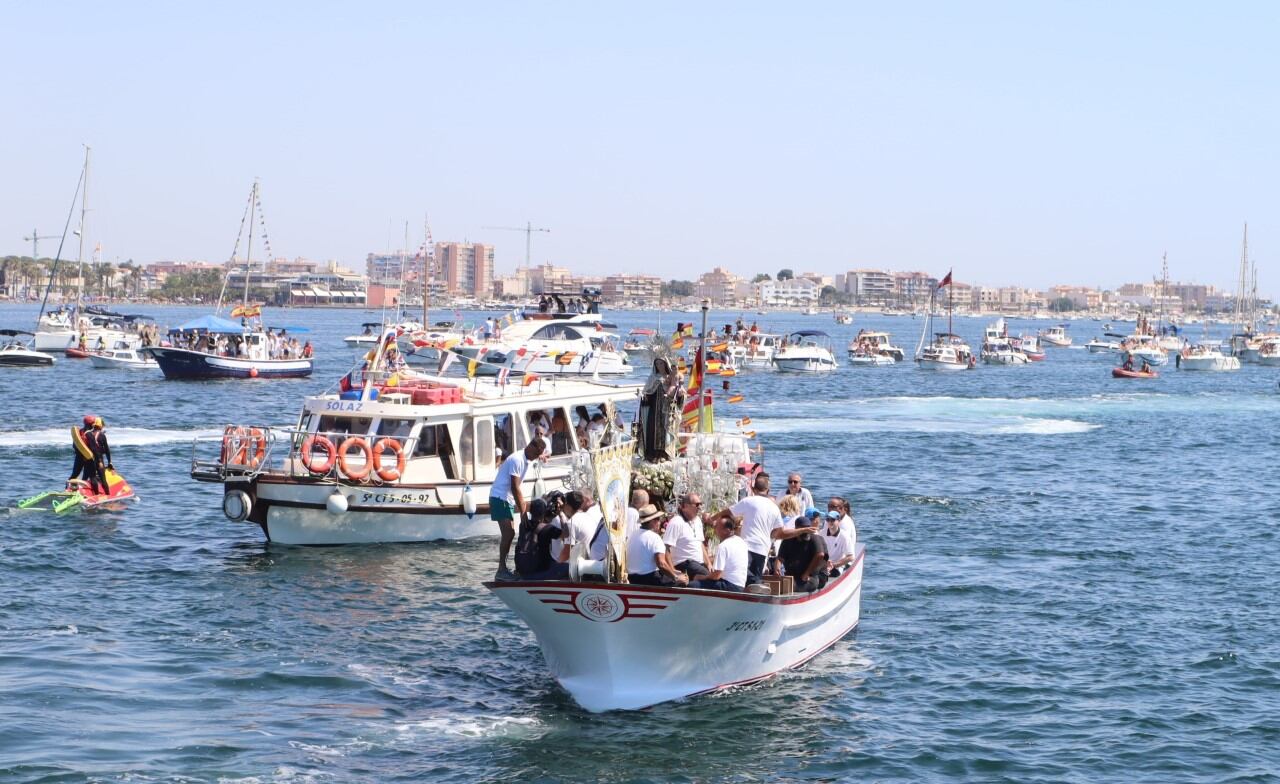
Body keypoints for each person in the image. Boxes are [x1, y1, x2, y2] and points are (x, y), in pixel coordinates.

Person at [714, 472, 812, 585]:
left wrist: (712, 519)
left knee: (741, 575)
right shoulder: (774, 508)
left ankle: (752, 588)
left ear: (752, 488)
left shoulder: (748, 501)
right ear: (768, 491)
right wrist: (802, 530)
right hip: (762, 548)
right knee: (754, 578)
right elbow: (780, 533)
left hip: (745, 546)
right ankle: (757, 588)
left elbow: (729, 512)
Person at [490, 437, 546, 580]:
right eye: (536, 454)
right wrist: (522, 512)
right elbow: (515, 487)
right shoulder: (517, 459)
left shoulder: (526, 460)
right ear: (531, 447)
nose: (535, 458)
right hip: (499, 498)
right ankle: (501, 570)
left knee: (511, 533)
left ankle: (505, 568)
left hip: (506, 499)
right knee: (508, 534)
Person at [626, 504, 688, 586]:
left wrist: (672, 571)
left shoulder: (633, 535)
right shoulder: (655, 537)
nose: (660, 522)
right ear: (653, 521)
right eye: (658, 519)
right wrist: (676, 577)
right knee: (684, 581)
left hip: (632, 578)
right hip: (649, 579)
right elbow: (661, 564)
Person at [638, 357, 683, 461]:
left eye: (661, 364)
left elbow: (678, 393)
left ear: (665, 364)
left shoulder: (671, 378)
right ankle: (652, 453)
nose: (659, 366)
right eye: (657, 364)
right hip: (654, 409)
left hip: (666, 409)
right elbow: (647, 393)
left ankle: (665, 453)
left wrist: (679, 395)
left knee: (666, 429)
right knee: (652, 429)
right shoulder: (652, 378)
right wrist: (644, 397)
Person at [513, 498, 568, 581]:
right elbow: (566, 534)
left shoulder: (523, 525)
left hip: (522, 572)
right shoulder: (548, 529)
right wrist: (561, 514)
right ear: (544, 513)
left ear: (531, 512)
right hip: (540, 573)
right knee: (567, 567)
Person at [691, 515, 748, 592]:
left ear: (726, 530)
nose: (714, 529)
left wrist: (700, 577)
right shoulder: (741, 542)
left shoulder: (723, 546)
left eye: (716, 526)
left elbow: (716, 576)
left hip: (729, 586)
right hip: (740, 586)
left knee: (693, 585)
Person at [777, 511, 827, 592]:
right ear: (796, 529)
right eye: (803, 528)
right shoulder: (788, 540)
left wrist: (807, 573)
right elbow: (780, 558)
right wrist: (777, 567)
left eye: (807, 528)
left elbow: (820, 555)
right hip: (791, 575)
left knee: (790, 586)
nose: (805, 531)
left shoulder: (815, 538)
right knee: (780, 582)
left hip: (810, 578)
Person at [664, 494, 711, 579]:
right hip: (684, 563)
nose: (699, 507)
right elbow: (666, 548)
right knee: (709, 578)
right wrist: (673, 571)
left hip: (697, 563)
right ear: (685, 506)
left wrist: (708, 564)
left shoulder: (697, 521)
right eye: (697, 504)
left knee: (717, 572)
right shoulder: (676, 522)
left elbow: (700, 544)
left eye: (701, 504)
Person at [822, 509, 855, 577]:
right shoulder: (821, 533)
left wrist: (834, 565)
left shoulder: (844, 536)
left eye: (833, 520)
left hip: (836, 567)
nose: (830, 522)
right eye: (828, 520)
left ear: (839, 521)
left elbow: (851, 557)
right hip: (823, 564)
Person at [84, 417, 112, 495]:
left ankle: (96, 495)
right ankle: (108, 495)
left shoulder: (87, 434)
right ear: (100, 425)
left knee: (92, 477)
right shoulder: (102, 435)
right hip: (98, 459)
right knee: (103, 480)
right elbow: (107, 450)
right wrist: (109, 462)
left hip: (88, 459)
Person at [68, 414, 97, 489]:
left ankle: (68, 490)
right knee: (93, 477)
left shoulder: (78, 433)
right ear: (91, 424)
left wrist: (79, 454)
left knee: (74, 475)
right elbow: (94, 449)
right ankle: (97, 495)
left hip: (79, 457)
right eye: (93, 423)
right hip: (88, 458)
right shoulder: (90, 434)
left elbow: (74, 446)